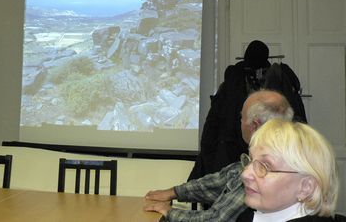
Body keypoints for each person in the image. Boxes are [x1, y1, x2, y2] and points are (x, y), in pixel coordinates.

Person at [143, 89, 294, 221]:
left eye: (241, 117)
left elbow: (216, 219)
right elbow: (222, 179)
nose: (240, 121)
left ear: (254, 125)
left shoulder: (263, 172)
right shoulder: (283, 156)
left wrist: (169, 212)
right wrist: (174, 192)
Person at [236, 119, 346, 222]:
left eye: (266, 166)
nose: (245, 174)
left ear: (306, 187)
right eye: (250, 160)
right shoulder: (250, 215)